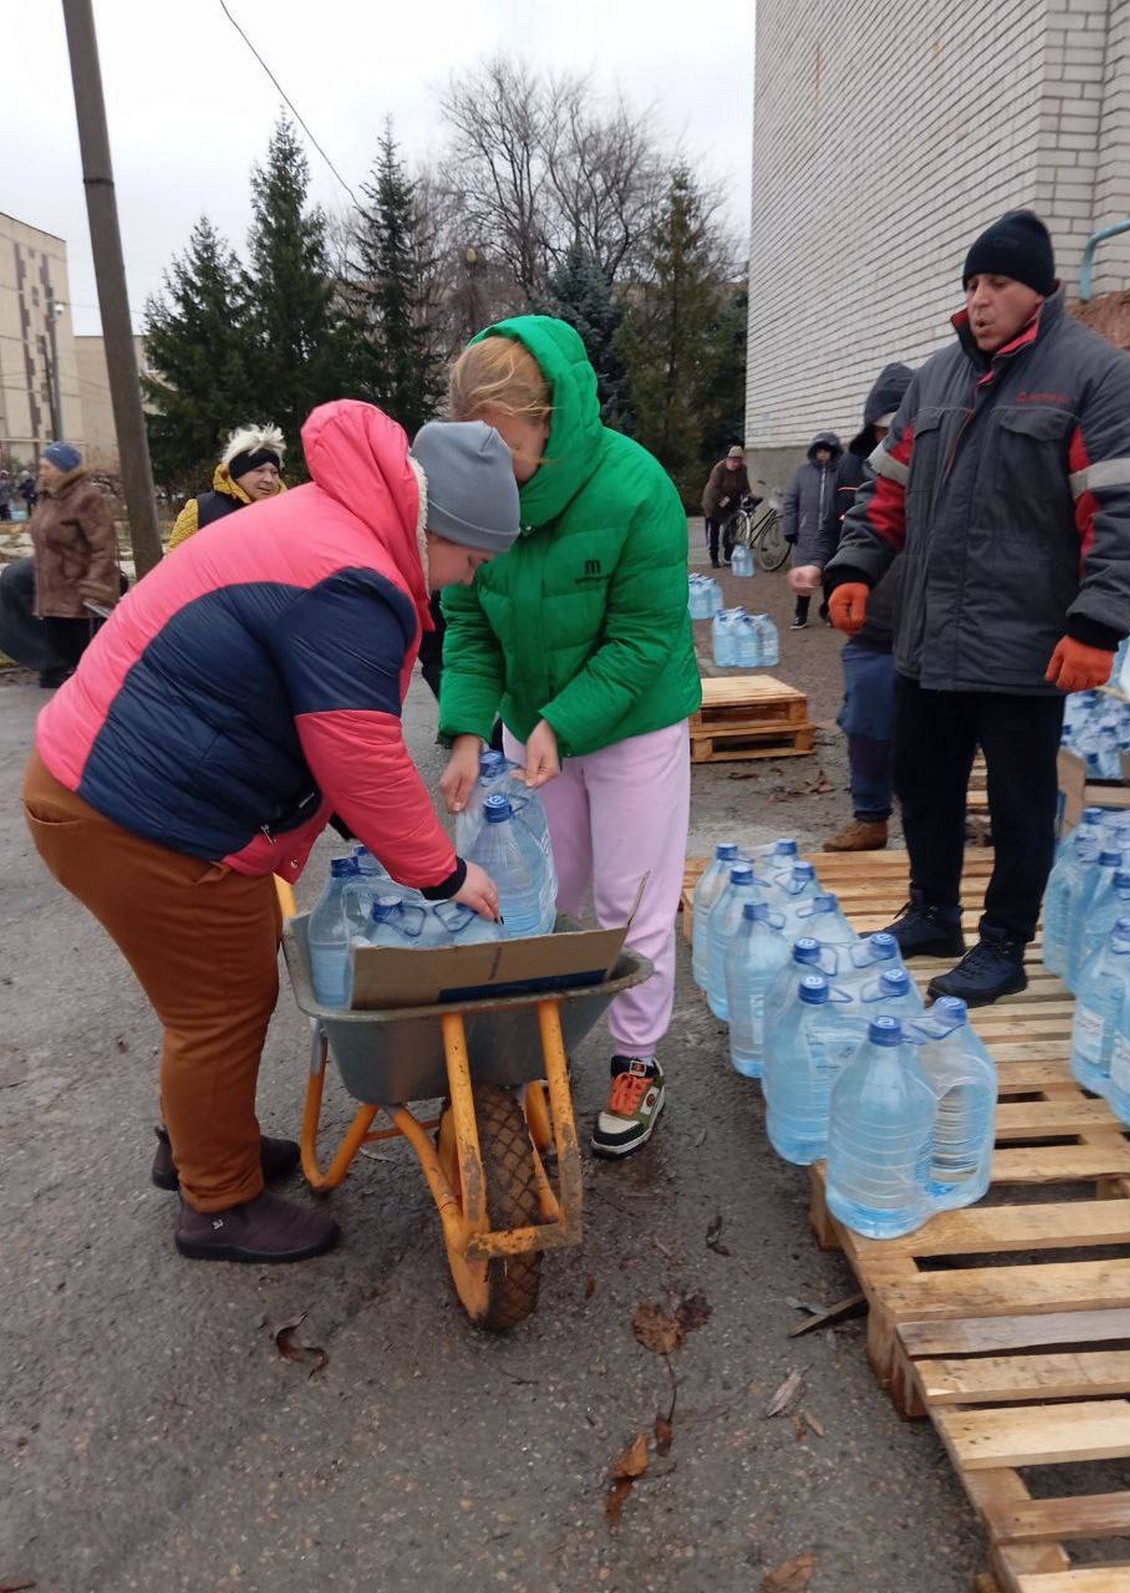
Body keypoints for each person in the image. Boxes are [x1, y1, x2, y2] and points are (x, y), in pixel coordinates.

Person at [24, 401, 520, 1264]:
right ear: (435, 526)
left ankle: (197, 1143)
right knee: (220, 1005)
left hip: (107, 784)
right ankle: (215, 1203)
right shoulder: (355, 577)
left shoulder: (334, 524)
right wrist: (442, 874)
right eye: (471, 559)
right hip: (136, 813)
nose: (468, 580)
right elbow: (358, 748)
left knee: (223, 978)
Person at [824, 210, 1130, 1005]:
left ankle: (1005, 943)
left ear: (1040, 290)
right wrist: (855, 566)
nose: (980, 299)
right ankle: (933, 912)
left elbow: (1128, 514)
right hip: (927, 640)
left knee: (1018, 805)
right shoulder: (936, 380)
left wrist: (1097, 624)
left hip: (1027, 646)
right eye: (973, 283)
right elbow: (887, 491)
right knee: (926, 783)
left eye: (998, 283)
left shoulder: (1098, 377)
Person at [438, 316, 701, 1158]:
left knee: (630, 901)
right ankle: (537, 1046)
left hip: (631, 726)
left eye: (505, 443)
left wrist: (562, 722)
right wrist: (470, 733)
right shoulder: (480, 494)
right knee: (542, 897)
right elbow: (469, 623)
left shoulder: (636, 488)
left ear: (550, 420)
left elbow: (643, 637)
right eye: (473, 444)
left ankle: (637, 1059)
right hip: (528, 725)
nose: (490, 466)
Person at [793, 363, 915, 851]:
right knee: (865, 721)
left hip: (927, 626)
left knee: (927, 734)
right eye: (884, 429)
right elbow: (833, 528)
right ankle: (870, 817)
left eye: (899, 426)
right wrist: (817, 566)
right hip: (871, 625)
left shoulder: (938, 466)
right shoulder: (852, 467)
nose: (893, 438)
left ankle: (928, 830)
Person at [28, 441, 120, 688]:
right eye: (41, 467)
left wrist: (95, 584)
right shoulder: (46, 497)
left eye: (48, 467)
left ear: (64, 468)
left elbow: (104, 546)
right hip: (52, 589)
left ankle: (97, 694)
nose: (42, 472)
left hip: (79, 591)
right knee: (60, 644)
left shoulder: (86, 498)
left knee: (84, 651)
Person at [165, 424, 286, 551]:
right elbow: (175, 562)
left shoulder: (289, 511)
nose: (269, 479)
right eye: (259, 471)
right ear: (237, 473)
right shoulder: (202, 510)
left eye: (274, 472)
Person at [782, 431, 841, 627]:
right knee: (804, 578)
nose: (823, 455)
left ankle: (829, 610)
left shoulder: (840, 473)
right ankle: (801, 614)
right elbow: (790, 501)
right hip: (806, 534)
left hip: (833, 534)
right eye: (819, 451)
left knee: (831, 575)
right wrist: (790, 528)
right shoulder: (802, 473)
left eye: (827, 451)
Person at [701, 444, 752, 567]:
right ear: (728, 459)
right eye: (734, 461)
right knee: (715, 530)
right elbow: (713, 489)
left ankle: (728, 556)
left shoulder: (743, 469)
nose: (736, 464)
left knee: (731, 530)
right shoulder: (719, 469)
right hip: (713, 502)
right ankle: (714, 558)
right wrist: (725, 501)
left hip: (732, 501)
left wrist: (746, 498)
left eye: (739, 461)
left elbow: (745, 487)